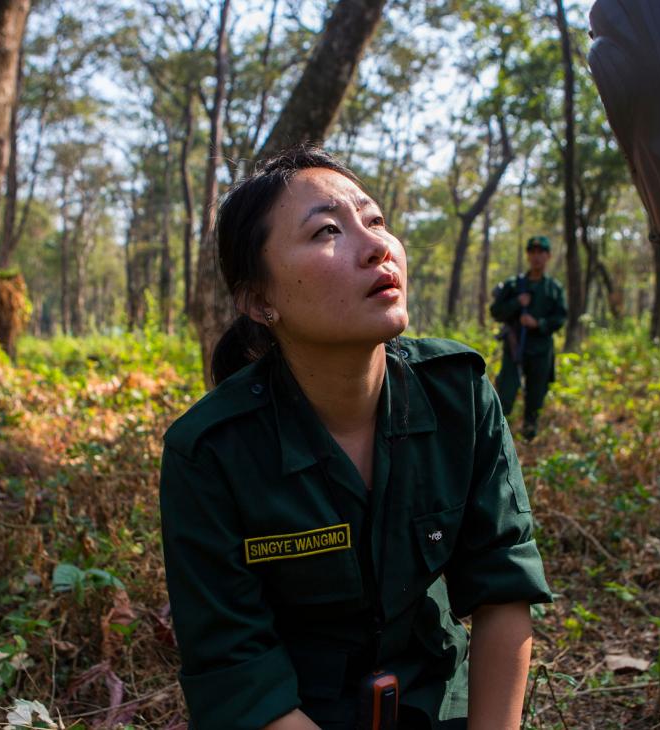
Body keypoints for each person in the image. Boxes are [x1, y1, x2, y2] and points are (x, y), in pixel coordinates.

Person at [159, 147, 552, 730]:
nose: (376, 247)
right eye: (326, 231)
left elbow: (503, 592)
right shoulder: (211, 452)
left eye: (375, 221)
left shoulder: (458, 396)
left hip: (437, 702)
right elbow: (235, 672)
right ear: (258, 300)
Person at [489, 237, 567, 440]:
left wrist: (538, 324)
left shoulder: (554, 288)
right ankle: (496, 439)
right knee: (505, 393)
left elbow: (560, 318)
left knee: (535, 397)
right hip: (515, 348)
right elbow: (496, 311)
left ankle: (528, 438)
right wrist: (516, 303)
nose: (536, 256)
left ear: (548, 256)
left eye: (541, 252)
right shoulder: (514, 284)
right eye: (532, 251)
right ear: (528, 255)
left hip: (541, 350)